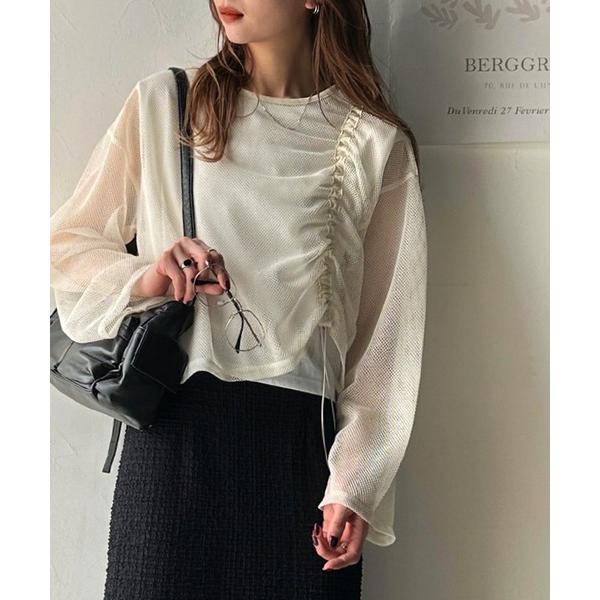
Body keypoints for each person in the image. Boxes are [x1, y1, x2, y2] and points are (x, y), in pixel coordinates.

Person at [49, 1, 428, 598]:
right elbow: (67, 247)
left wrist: (356, 481)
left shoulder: (375, 143)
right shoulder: (168, 104)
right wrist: (150, 276)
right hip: (174, 440)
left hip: (302, 456)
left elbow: (388, 337)